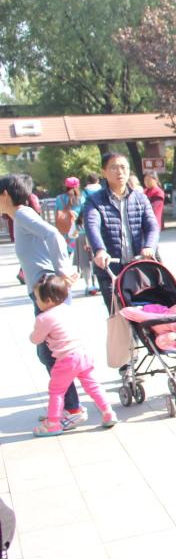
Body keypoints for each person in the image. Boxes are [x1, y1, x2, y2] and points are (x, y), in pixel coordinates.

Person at [0, 174, 86, 429]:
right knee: (49, 352)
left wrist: (62, 269)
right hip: (42, 293)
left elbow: (54, 235)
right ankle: (65, 406)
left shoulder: (22, 214)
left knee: (52, 353)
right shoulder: (19, 216)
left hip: (48, 294)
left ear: (5, 194)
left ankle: (72, 409)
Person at [30, 274, 118, 436]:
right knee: (93, 386)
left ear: (48, 300)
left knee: (56, 391)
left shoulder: (43, 318)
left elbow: (36, 339)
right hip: (83, 354)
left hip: (66, 359)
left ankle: (53, 424)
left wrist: (33, 334)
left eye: (37, 298)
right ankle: (108, 413)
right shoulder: (67, 309)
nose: (36, 301)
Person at [82, 152, 160, 311]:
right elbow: (91, 225)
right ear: (104, 172)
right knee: (118, 315)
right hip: (110, 270)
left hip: (138, 268)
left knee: (145, 315)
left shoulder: (140, 198)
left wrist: (149, 246)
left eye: (124, 167)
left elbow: (152, 225)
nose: (120, 172)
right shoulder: (94, 200)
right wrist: (99, 250)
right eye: (114, 167)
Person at [54, 176, 83, 254]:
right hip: (77, 228)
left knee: (65, 251)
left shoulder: (59, 198)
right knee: (78, 252)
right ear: (77, 186)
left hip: (64, 228)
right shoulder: (81, 198)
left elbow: (56, 213)